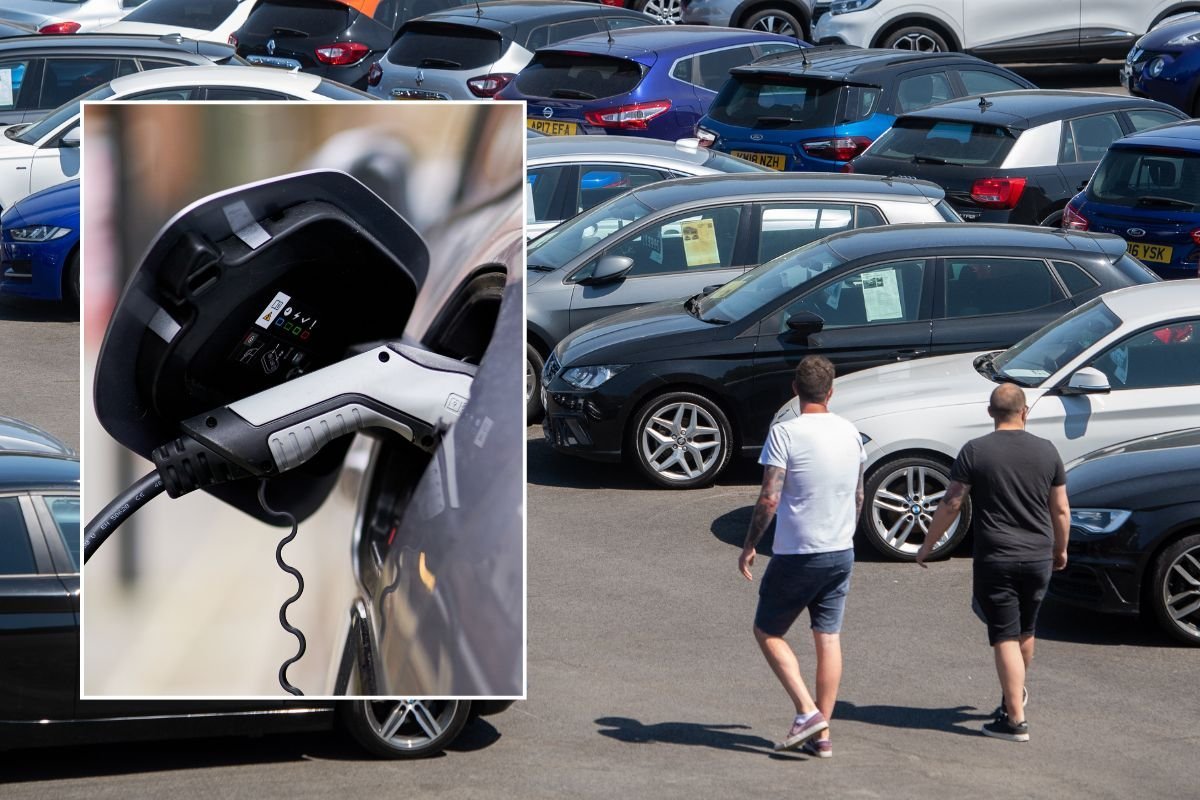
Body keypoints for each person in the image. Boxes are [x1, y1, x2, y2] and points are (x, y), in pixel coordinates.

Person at [915, 384, 1070, 742]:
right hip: (1037, 556)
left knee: (1004, 635)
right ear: (1025, 412)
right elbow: (1061, 508)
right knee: (1026, 630)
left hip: (997, 557)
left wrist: (928, 544)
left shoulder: (975, 450)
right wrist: (1061, 549)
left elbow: (952, 503)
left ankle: (1014, 720)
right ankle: (1012, 696)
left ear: (990, 413)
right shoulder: (1047, 450)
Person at [738, 356, 865, 758]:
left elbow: (770, 497)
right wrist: (845, 532)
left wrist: (750, 544)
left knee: (767, 631)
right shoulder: (850, 432)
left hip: (798, 553)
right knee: (828, 637)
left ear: (795, 389)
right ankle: (821, 734)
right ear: (831, 392)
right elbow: (859, 495)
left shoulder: (785, 433)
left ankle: (807, 712)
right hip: (840, 551)